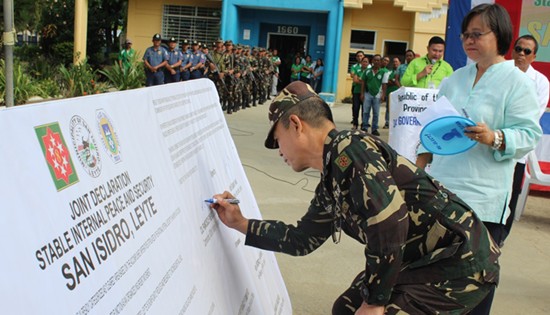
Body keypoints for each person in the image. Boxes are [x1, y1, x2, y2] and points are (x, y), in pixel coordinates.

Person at [210, 81, 500, 315]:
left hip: (460, 261)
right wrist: (241, 223)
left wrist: (375, 301)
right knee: (345, 308)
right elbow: (302, 239)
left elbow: (390, 222)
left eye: (277, 139)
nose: (279, 150)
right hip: (421, 261)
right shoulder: (332, 177)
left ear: (296, 125)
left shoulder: (351, 149)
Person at [415, 4, 542, 314]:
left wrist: (495, 137)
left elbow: (529, 135)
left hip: (483, 201)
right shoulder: (454, 80)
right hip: (442, 194)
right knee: (432, 284)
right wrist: (418, 166)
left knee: (474, 287)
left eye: (477, 34)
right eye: (465, 35)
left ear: (499, 35)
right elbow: (431, 129)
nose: (468, 41)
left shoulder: (517, 82)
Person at [504, 34, 550, 241]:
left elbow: (532, 116)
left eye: (527, 51)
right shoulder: (500, 72)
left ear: (534, 56)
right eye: (518, 49)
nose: (521, 54)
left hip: (516, 150)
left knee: (510, 197)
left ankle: (500, 239)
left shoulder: (540, 82)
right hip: (489, 144)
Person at [360, 54, 387, 136]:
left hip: (377, 95)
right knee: (365, 112)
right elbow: (363, 83)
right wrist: (362, 93)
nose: (376, 61)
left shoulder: (383, 72)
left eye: (378, 60)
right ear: (372, 61)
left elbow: (384, 84)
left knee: (376, 113)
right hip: (367, 94)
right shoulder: (367, 71)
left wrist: (383, 95)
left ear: (381, 62)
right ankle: (364, 127)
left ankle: (374, 129)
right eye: (375, 60)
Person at [382, 57, 401, 128]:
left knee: (398, 108)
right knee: (388, 108)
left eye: (396, 61)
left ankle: (396, 123)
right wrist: (395, 81)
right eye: (394, 62)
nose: (395, 63)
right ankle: (387, 123)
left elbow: (400, 81)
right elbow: (387, 82)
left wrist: (393, 81)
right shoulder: (389, 72)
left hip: (399, 93)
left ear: (400, 63)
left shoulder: (402, 72)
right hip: (390, 93)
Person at [351, 56, 369, 130]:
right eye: (363, 61)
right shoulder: (357, 70)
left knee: (364, 109)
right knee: (355, 108)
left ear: (368, 63)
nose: (365, 63)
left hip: (366, 92)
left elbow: (369, 83)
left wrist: (361, 80)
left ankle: (363, 124)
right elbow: (355, 80)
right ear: (361, 62)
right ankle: (355, 123)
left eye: (366, 62)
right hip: (356, 91)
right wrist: (363, 82)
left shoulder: (369, 71)